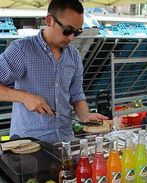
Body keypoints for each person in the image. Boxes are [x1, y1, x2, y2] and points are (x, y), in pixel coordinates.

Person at [0, 0, 108, 144]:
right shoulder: (22, 49)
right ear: (49, 20)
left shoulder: (73, 55)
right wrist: (24, 97)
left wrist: (85, 116)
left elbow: (76, 94)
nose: (71, 38)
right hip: (28, 144)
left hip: (65, 141)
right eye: (67, 30)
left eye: (77, 32)